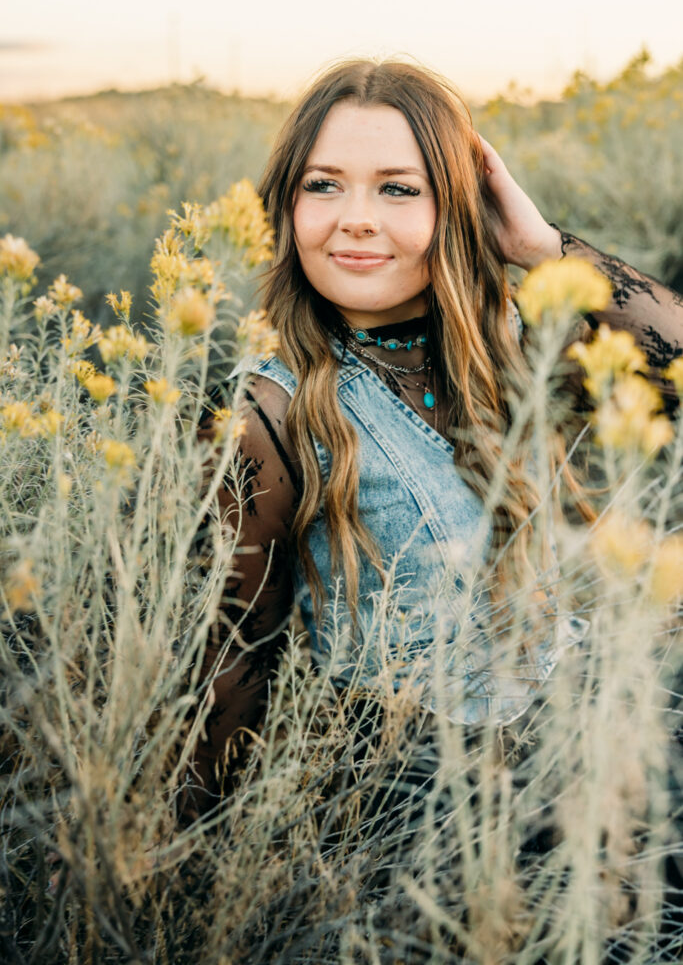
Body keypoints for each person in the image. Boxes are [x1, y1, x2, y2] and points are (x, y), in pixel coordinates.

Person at [187, 58, 683, 813]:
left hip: (592, 756)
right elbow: (232, 664)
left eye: (398, 187)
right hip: (440, 820)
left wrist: (542, 245)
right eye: (322, 184)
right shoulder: (267, 412)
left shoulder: (509, 346)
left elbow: (672, 363)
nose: (355, 216)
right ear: (284, 208)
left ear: (457, 207)